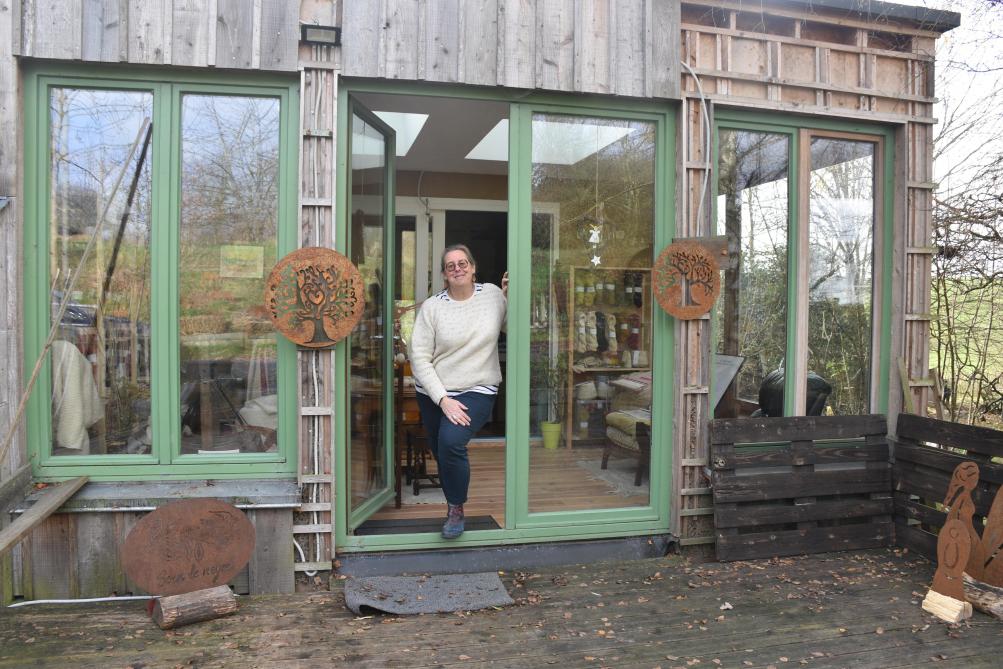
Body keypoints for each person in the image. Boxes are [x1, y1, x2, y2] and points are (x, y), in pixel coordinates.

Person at [408, 244, 508, 539]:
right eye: (450, 266)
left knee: (451, 442)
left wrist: (510, 300)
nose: (457, 269)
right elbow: (419, 358)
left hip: (478, 386)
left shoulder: (492, 295)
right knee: (440, 450)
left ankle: (455, 508)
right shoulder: (433, 307)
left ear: (473, 267)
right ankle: (454, 499)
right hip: (434, 390)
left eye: (463, 263)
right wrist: (443, 399)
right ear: (444, 274)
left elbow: (511, 330)